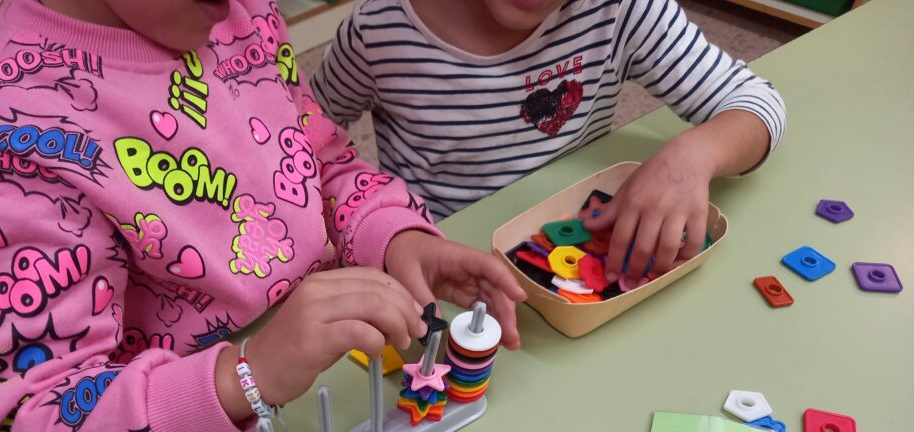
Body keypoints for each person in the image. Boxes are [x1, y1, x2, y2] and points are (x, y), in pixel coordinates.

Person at [0, 0, 525, 432]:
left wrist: (393, 234)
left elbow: (318, 161)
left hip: (329, 381)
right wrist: (244, 377)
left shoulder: (238, 14)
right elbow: (31, 420)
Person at [311, 0, 787, 278]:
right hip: (439, 266)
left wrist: (692, 156)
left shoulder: (621, 10)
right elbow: (300, 143)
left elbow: (756, 104)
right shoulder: (378, 28)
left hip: (579, 252)